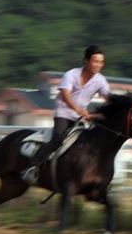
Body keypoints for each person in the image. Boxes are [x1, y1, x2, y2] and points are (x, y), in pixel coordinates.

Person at [21, 44, 111, 185]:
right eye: (95, 61)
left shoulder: (100, 80)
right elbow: (65, 96)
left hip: (80, 116)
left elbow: (108, 97)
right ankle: (31, 168)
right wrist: (79, 110)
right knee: (57, 140)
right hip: (64, 113)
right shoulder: (71, 75)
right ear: (86, 61)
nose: (98, 65)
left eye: (101, 62)